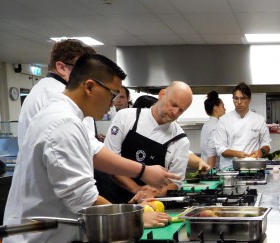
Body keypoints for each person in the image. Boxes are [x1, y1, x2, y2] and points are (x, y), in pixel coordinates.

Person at [2, 54, 172, 243]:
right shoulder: (63, 123)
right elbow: (83, 198)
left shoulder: (67, 117)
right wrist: (133, 220)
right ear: (90, 86)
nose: (112, 104)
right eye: (111, 94)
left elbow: (95, 152)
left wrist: (143, 171)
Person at [17, 39, 179, 192]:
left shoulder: (51, 96)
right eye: (112, 94)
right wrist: (143, 171)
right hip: (49, 208)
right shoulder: (61, 111)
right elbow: (91, 154)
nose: (112, 103)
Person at [103, 81, 193, 203]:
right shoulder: (125, 117)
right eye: (173, 104)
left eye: (181, 110)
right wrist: (136, 188)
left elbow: (175, 182)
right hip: (111, 199)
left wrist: (153, 193)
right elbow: (109, 161)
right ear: (162, 95)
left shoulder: (180, 140)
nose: (175, 112)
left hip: (149, 204)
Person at [214, 82, 271, 169]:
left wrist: (261, 151)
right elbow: (220, 148)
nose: (239, 102)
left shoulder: (259, 120)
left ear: (250, 99)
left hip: (252, 168)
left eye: (243, 98)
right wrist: (237, 154)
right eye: (236, 98)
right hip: (229, 169)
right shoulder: (224, 120)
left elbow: (266, 144)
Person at [201, 91, 226, 168]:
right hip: (212, 170)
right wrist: (210, 174)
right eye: (223, 106)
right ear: (216, 108)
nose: (225, 109)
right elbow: (212, 151)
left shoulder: (206, 124)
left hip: (205, 165)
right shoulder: (216, 126)